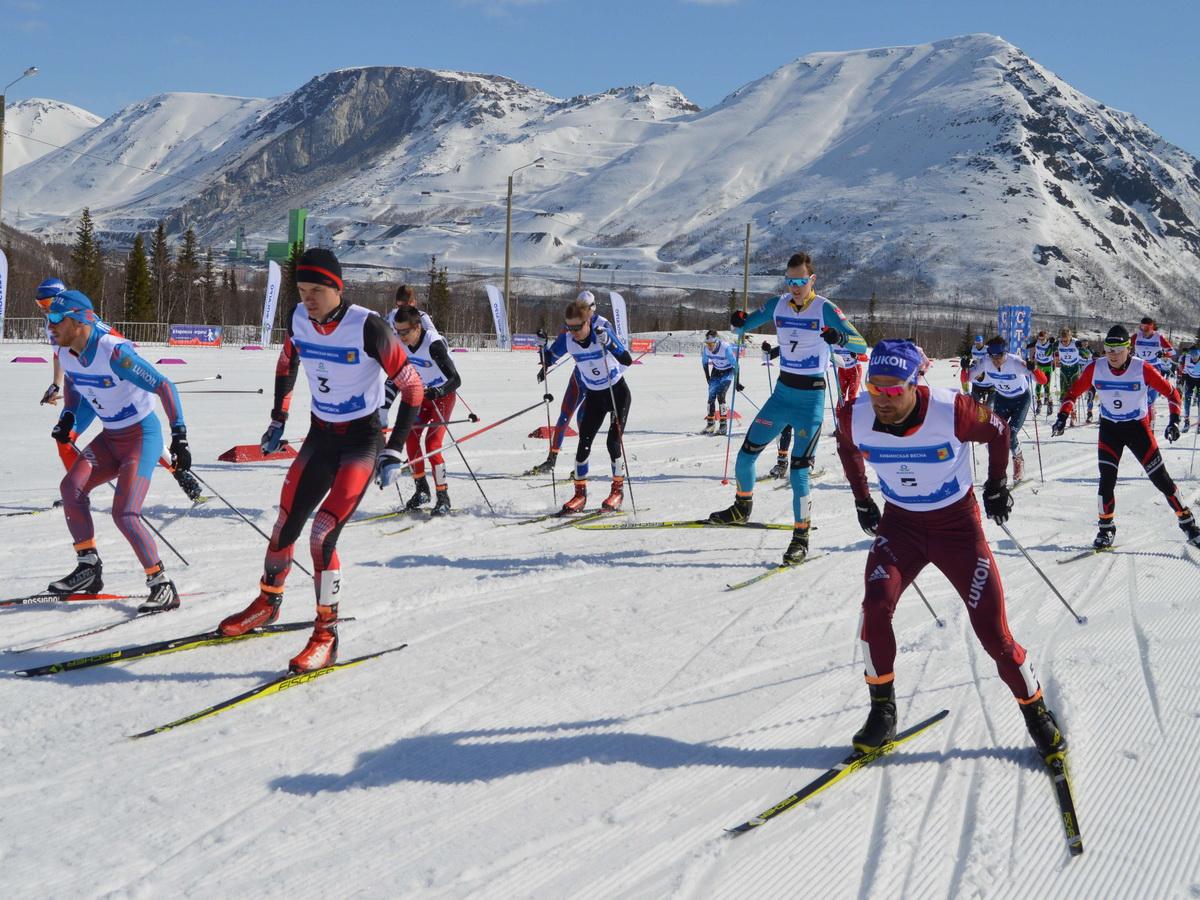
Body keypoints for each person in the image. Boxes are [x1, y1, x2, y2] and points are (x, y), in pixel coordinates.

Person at [834, 338, 1066, 759]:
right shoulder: (855, 414)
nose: (882, 399)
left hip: (957, 529)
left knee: (993, 634)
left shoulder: (951, 409)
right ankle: (882, 711)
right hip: (900, 527)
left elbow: (999, 431)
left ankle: (1036, 713)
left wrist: (997, 485)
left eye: (892, 390)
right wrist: (862, 498)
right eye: (874, 388)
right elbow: (846, 448)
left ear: (914, 382)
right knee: (875, 607)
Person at [217, 249, 425, 672]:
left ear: (337, 287)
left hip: (360, 442)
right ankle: (268, 603)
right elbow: (287, 360)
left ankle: (326, 635)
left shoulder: (369, 327)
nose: (307, 299)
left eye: (316, 290)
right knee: (284, 522)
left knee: (322, 533)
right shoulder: (297, 318)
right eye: (300, 290)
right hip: (320, 436)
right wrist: (278, 418)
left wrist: (394, 448)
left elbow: (414, 389)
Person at [709, 251, 868, 565]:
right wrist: (738, 321)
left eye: (800, 281)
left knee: (798, 473)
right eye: (790, 280)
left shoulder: (825, 308)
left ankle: (800, 537)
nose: (795, 286)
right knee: (745, 456)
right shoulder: (777, 304)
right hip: (782, 395)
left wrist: (840, 337)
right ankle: (742, 506)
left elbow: (861, 344)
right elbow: (745, 324)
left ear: (812, 279)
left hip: (810, 399)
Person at [46, 291, 190, 612]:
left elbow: (165, 386)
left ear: (80, 320)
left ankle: (162, 584)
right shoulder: (66, 350)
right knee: (71, 488)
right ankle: (88, 568)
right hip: (111, 437)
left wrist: (179, 434)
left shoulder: (114, 353)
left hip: (142, 436)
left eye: (57, 318)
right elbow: (72, 383)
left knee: (124, 513)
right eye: (48, 318)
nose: (50, 324)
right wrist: (69, 415)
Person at [1053, 324, 1200, 550]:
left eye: (1118, 350)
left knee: (1160, 479)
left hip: (1137, 428)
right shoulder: (1096, 368)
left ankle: (1188, 523)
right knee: (1106, 479)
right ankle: (1105, 528)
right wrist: (1062, 416)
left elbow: (1172, 394)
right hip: (1110, 428)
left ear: (1128, 349)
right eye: (1108, 349)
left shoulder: (1143, 369)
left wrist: (1174, 421)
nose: (1112, 355)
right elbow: (1072, 393)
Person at [540, 296, 633, 513]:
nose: (573, 332)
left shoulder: (602, 334)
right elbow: (549, 359)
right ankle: (580, 496)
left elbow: (627, 359)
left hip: (616, 393)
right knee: (584, 445)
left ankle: (617, 491)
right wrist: (541, 346)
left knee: (613, 443)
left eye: (577, 327)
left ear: (588, 321)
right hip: (595, 396)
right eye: (569, 327)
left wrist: (610, 344)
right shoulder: (569, 339)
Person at [527, 291, 609, 475]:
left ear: (592, 309)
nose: (579, 312)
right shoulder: (572, 325)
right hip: (580, 378)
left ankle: (581, 463)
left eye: (584, 308)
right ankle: (551, 461)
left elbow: (617, 351)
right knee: (564, 416)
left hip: (598, 383)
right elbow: (552, 354)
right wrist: (542, 345)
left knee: (582, 419)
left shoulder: (603, 325)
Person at [394, 305, 462, 515]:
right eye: (398, 331)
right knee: (411, 437)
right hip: (421, 394)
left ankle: (443, 496)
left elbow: (456, 379)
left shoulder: (433, 345)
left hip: (443, 396)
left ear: (417, 327)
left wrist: (438, 391)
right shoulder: (400, 343)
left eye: (405, 331)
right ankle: (421, 489)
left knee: (432, 443)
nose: (401, 336)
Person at [967, 337, 1045, 483]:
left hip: (1021, 399)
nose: (996, 360)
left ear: (1005, 353)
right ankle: (996, 474)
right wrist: (966, 368)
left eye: (999, 356)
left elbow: (1042, 381)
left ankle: (1018, 459)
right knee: (995, 434)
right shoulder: (985, 361)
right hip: (1002, 399)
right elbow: (967, 378)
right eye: (992, 357)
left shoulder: (1015, 362)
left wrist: (1034, 369)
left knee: (1010, 434)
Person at [1132, 316, 1175, 427]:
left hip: (1153, 368)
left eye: (1146, 328)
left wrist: (1164, 354)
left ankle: (1150, 426)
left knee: (1150, 401)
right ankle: (1137, 423)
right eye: (1142, 327)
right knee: (1137, 398)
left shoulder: (1158, 337)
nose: (1144, 331)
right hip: (1138, 368)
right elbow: (1125, 346)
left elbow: (1172, 352)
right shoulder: (1137, 336)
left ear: (1152, 328)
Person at [761, 341, 793, 478]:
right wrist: (766, 351)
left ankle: (807, 462)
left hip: (808, 394)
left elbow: (840, 362)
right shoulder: (787, 344)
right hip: (786, 391)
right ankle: (782, 463)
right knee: (785, 426)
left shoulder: (813, 344)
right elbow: (766, 358)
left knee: (806, 430)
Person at [701, 329, 739, 435]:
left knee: (721, 396)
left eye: (711, 344)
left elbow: (736, 365)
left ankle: (723, 426)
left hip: (728, 371)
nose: (709, 346)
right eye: (707, 343)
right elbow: (704, 363)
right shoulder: (706, 349)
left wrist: (737, 382)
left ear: (716, 342)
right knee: (711, 396)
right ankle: (710, 425)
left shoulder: (725, 348)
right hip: (716, 371)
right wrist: (707, 377)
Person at [1055, 328, 1085, 426]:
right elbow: (1048, 351)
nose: (1064, 343)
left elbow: (1087, 355)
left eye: (1066, 340)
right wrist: (1051, 344)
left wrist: (1082, 348)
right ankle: (1062, 415)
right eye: (1063, 340)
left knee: (1073, 393)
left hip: (1074, 370)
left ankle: (1073, 413)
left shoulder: (1075, 343)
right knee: (1063, 394)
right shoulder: (1058, 343)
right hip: (1064, 369)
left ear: (1070, 337)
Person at [1028, 330, 1055, 416]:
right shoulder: (1037, 343)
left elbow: (1054, 347)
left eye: (1042, 339)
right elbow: (1028, 346)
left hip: (1047, 367)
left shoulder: (1050, 344)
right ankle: (1039, 403)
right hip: (1039, 366)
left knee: (1047, 387)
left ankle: (1050, 403)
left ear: (1046, 338)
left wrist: (1053, 342)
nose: (1040, 341)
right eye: (1039, 339)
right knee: (1037, 388)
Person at [1181, 344, 1200, 432]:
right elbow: (1185, 371)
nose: (1194, 358)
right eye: (1193, 356)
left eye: (1196, 356)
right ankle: (1186, 421)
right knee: (1187, 399)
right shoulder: (1186, 358)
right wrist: (1182, 379)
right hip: (1190, 379)